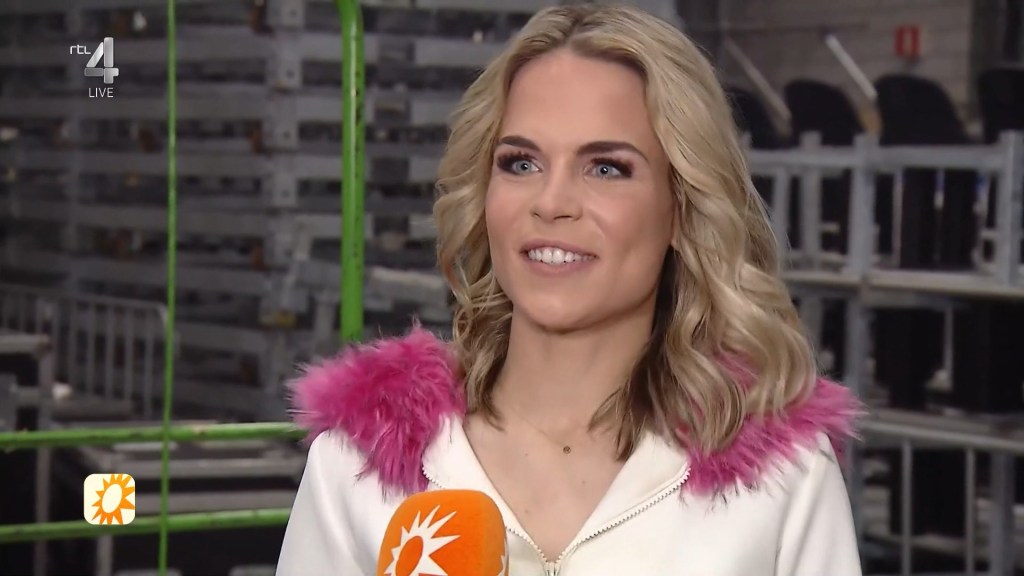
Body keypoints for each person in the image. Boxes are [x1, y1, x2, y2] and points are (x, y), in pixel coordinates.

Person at [275, 4, 863, 575]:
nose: (551, 202)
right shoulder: (357, 464)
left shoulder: (783, 481)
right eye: (521, 163)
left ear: (682, 209)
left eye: (606, 168)